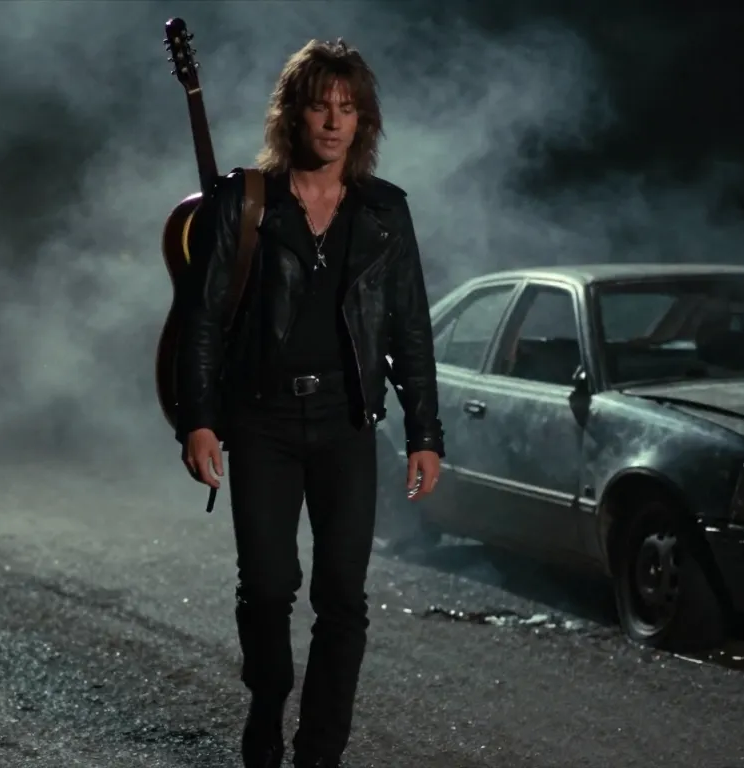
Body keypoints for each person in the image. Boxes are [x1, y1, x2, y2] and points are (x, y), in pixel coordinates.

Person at [174, 37, 444, 768]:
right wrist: (199, 420)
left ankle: (320, 751)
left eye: (346, 108)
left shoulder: (385, 212)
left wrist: (425, 432)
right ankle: (267, 701)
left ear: (363, 121)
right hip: (262, 421)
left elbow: (410, 328)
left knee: (343, 599)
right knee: (268, 589)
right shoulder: (246, 203)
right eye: (320, 106)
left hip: (347, 422)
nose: (332, 121)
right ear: (293, 114)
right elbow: (201, 320)